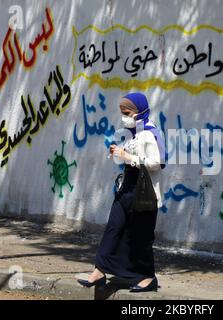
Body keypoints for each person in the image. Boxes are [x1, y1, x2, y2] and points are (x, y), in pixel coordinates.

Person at [78, 93, 165, 293]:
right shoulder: (133, 132)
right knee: (113, 228)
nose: (124, 116)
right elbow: (130, 156)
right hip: (127, 188)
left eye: (127, 113)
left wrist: (128, 157)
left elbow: (157, 163)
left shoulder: (150, 133)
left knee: (141, 236)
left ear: (139, 112)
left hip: (144, 192)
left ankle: (148, 277)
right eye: (122, 112)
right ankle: (99, 271)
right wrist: (118, 152)